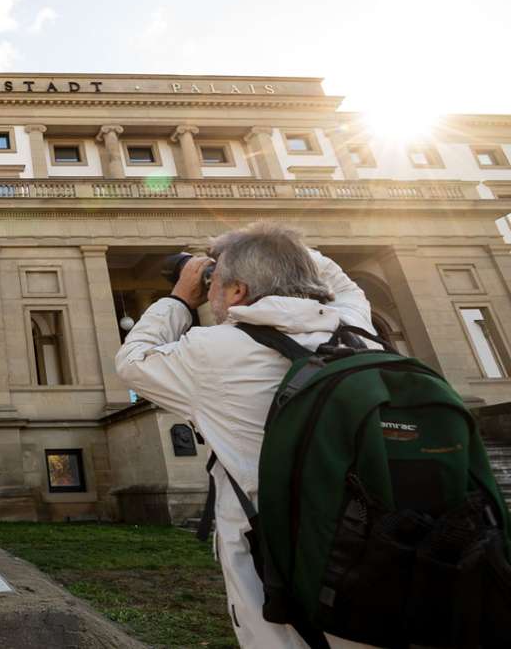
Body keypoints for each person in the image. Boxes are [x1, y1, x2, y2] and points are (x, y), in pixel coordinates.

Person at [114, 222, 375, 649]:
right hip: (393, 569)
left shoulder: (212, 352)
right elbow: (339, 280)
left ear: (236, 291)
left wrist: (180, 296)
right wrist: (267, 250)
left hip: (289, 602)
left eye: (217, 286)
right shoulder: (356, 327)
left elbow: (133, 359)